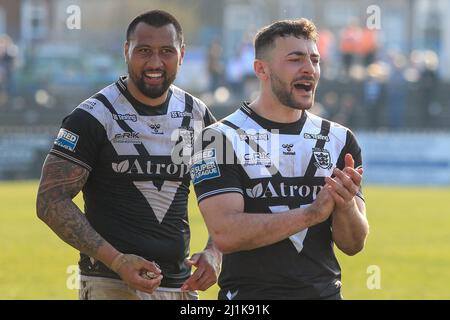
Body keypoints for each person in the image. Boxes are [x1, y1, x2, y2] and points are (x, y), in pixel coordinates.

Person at [36, 10, 220, 300]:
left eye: (166, 51)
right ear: (126, 51)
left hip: (180, 287)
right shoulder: (94, 116)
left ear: (182, 54)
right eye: (144, 51)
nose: (155, 62)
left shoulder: (197, 115)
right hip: (110, 284)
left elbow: (225, 195)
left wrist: (214, 251)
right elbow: (49, 200)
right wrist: (117, 261)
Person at [190, 19, 369, 300]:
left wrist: (345, 205)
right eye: (295, 59)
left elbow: (353, 244)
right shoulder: (218, 138)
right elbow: (226, 234)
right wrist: (311, 214)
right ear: (261, 69)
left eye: (314, 59)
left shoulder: (339, 139)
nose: (309, 69)